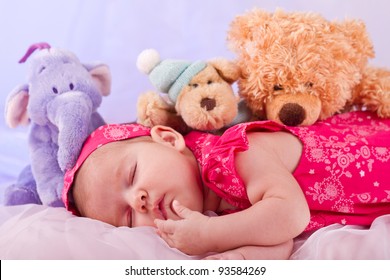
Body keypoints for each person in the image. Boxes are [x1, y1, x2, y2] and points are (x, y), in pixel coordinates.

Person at [62, 110, 390, 259]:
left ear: (167, 138)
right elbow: (278, 239)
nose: (139, 201)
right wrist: (231, 262)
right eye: (127, 217)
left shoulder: (234, 153)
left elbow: (290, 215)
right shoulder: (215, 213)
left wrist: (210, 236)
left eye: (132, 176)